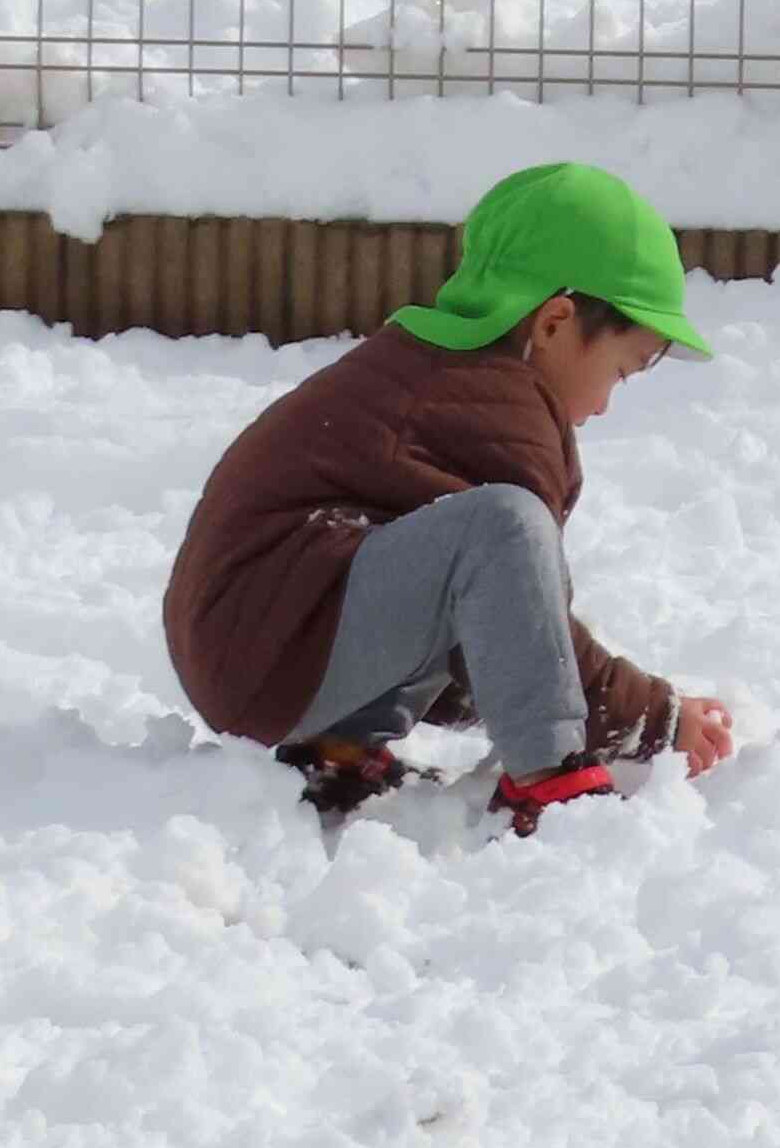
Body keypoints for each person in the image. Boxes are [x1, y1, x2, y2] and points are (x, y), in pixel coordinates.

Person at [165, 162, 740, 830]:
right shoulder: (494, 403)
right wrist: (653, 715)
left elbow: (489, 630)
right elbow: (525, 618)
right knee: (505, 526)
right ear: (554, 322)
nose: (608, 404)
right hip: (269, 643)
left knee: (480, 551)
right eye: (621, 370)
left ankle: (338, 750)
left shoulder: (442, 377)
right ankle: (547, 778)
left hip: (258, 645)